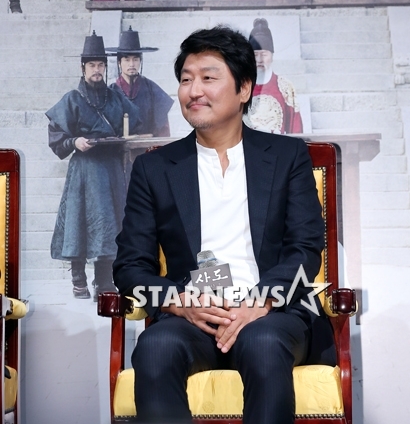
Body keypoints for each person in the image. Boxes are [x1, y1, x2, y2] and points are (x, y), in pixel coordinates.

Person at [114, 26, 335, 424]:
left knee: (263, 342)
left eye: (208, 78)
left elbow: (305, 248)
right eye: (186, 80)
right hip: (192, 318)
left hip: (272, 313)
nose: (193, 91)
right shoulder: (155, 168)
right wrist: (180, 302)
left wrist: (260, 301)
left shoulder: (286, 156)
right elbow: (130, 267)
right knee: (156, 346)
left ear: (244, 88)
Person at [46, 31, 140, 300]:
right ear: (83, 68)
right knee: (78, 223)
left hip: (111, 169)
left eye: (100, 65)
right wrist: (75, 142)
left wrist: (123, 138)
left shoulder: (115, 97)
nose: (97, 70)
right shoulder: (72, 99)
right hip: (84, 171)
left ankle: (104, 281)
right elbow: (56, 136)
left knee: (111, 225)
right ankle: (78, 279)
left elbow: (134, 120)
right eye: (92, 65)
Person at [108, 26, 174, 136]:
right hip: (118, 145)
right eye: (127, 60)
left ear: (140, 61)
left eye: (135, 59)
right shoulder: (111, 92)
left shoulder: (152, 89)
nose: (131, 64)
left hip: (147, 144)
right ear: (119, 62)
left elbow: (163, 128)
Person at [244, 18, 303, 134]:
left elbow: (295, 128)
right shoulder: (240, 86)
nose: (259, 60)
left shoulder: (285, 87)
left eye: (264, 54)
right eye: (255, 55)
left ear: (272, 56)